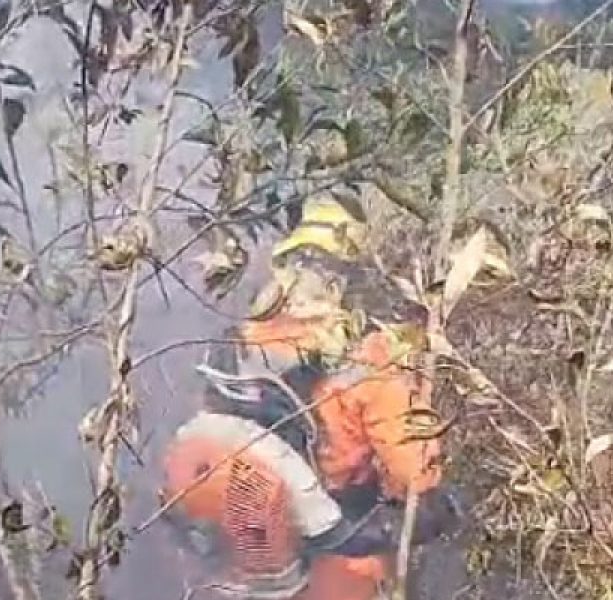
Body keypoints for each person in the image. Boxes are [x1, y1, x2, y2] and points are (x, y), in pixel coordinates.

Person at [158, 191, 462, 600]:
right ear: (343, 282)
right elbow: (414, 476)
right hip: (338, 539)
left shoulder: (238, 338)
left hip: (239, 540)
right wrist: (435, 508)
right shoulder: (371, 358)